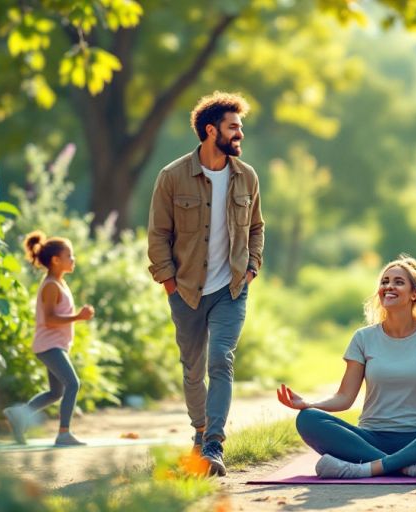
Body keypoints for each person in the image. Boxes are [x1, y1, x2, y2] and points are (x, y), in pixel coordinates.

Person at [276, 256, 416, 479]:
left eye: (398, 282)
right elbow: (344, 397)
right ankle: (410, 468)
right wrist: (309, 404)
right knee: (308, 419)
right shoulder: (363, 338)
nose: (388, 286)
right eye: (384, 281)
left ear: (414, 294)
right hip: (371, 437)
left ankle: (366, 467)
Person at [147, 91, 265, 476]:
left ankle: (214, 442)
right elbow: (157, 234)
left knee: (221, 360)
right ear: (210, 130)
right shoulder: (172, 176)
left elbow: (257, 228)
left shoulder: (246, 176)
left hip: (232, 288)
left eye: (240, 128)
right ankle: (199, 432)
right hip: (186, 290)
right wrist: (168, 282)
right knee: (192, 368)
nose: (239, 134)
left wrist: (251, 267)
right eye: (234, 127)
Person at [3, 231, 95, 446]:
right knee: (73, 384)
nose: (74, 260)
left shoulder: (59, 282)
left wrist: (78, 317)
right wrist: (78, 317)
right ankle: (64, 433)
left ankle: (19, 414)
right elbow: (50, 319)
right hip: (49, 345)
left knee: (57, 392)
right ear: (56, 260)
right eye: (69, 256)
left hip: (55, 345)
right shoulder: (51, 285)